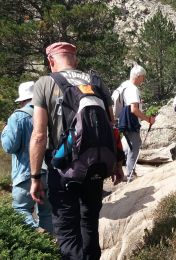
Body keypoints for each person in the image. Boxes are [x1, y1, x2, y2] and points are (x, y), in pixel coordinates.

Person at [29, 42, 122, 259]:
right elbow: (112, 127)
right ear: (76, 60)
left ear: (51, 61)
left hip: (62, 167)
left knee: (67, 229)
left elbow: (39, 135)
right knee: (89, 222)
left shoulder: (45, 83)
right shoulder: (97, 83)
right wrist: (117, 163)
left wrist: (35, 177)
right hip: (96, 164)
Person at [1, 81, 53, 234]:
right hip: (49, 173)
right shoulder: (49, 113)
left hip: (26, 174)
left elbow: (9, 146)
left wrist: (4, 132)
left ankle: (35, 238)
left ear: (23, 100)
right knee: (47, 213)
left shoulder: (18, 117)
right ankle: (49, 248)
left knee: (20, 209)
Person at [112, 65, 155, 180]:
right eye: (143, 77)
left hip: (122, 119)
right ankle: (130, 174)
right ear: (138, 76)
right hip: (130, 120)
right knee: (135, 145)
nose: (143, 80)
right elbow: (133, 109)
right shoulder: (132, 88)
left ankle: (118, 168)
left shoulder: (124, 85)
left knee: (128, 145)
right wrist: (148, 119)